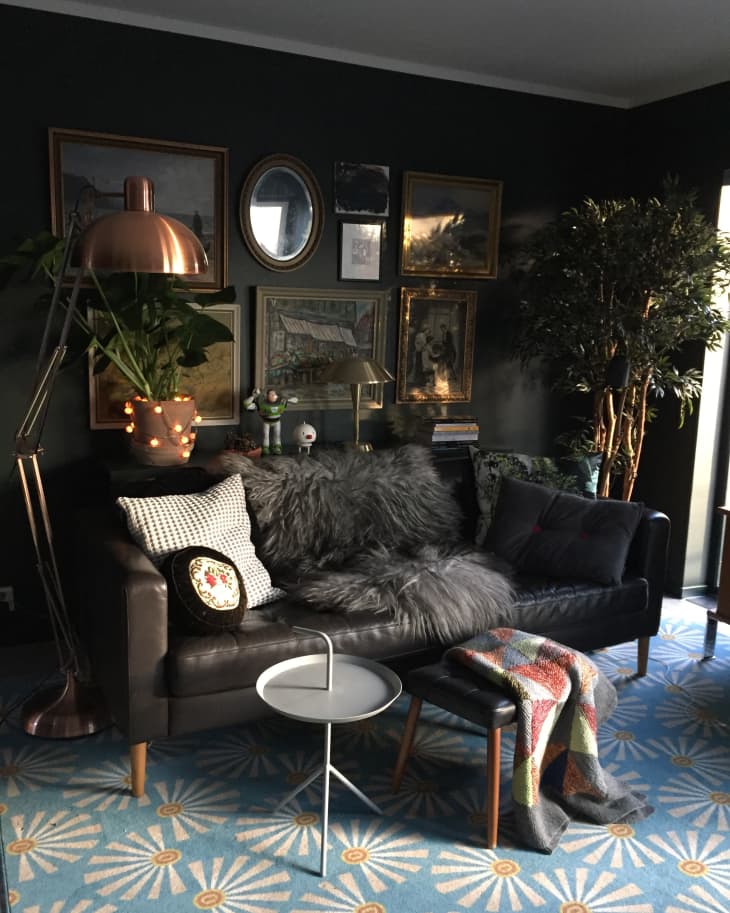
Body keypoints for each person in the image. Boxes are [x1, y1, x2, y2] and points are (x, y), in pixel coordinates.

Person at [243, 388, 298, 455]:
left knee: (277, 435)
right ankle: (265, 448)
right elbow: (246, 404)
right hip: (266, 422)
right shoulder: (261, 404)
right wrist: (253, 396)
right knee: (266, 436)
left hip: (277, 422)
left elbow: (296, 400)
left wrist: (288, 399)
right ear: (266, 396)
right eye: (271, 394)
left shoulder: (281, 403)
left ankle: (277, 447)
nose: (273, 396)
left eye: (274, 394)